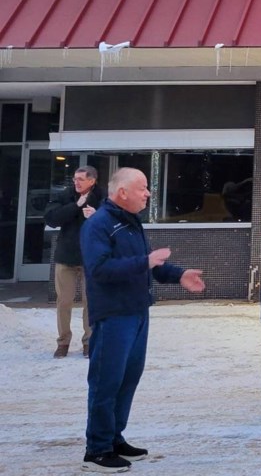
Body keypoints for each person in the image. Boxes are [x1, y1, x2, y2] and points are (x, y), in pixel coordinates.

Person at [80, 167, 205, 473]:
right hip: (113, 315)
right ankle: (96, 450)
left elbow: (149, 266)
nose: (148, 193)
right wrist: (145, 261)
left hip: (137, 312)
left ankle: (114, 439)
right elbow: (99, 270)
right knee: (106, 381)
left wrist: (178, 274)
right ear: (122, 192)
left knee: (127, 380)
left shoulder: (130, 223)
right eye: (143, 188)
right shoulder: (99, 225)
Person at [45, 165, 104, 358]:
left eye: (81, 179)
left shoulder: (103, 197)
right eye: (75, 179)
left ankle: (89, 342)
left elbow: (113, 221)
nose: (76, 182)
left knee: (92, 302)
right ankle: (63, 342)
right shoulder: (65, 196)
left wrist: (96, 216)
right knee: (64, 301)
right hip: (66, 256)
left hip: (92, 258)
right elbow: (52, 219)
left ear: (92, 181)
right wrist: (76, 205)